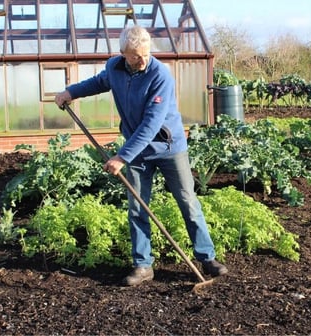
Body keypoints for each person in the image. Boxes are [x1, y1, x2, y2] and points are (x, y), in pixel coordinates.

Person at [55, 25, 228, 286]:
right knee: (137, 207)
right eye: (136, 55)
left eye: (146, 53)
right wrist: (71, 92)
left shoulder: (161, 75)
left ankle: (207, 257)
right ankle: (143, 265)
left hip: (169, 149)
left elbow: (151, 124)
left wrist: (121, 157)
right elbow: (99, 82)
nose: (143, 59)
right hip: (137, 152)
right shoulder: (115, 68)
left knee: (188, 202)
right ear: (123, 53)